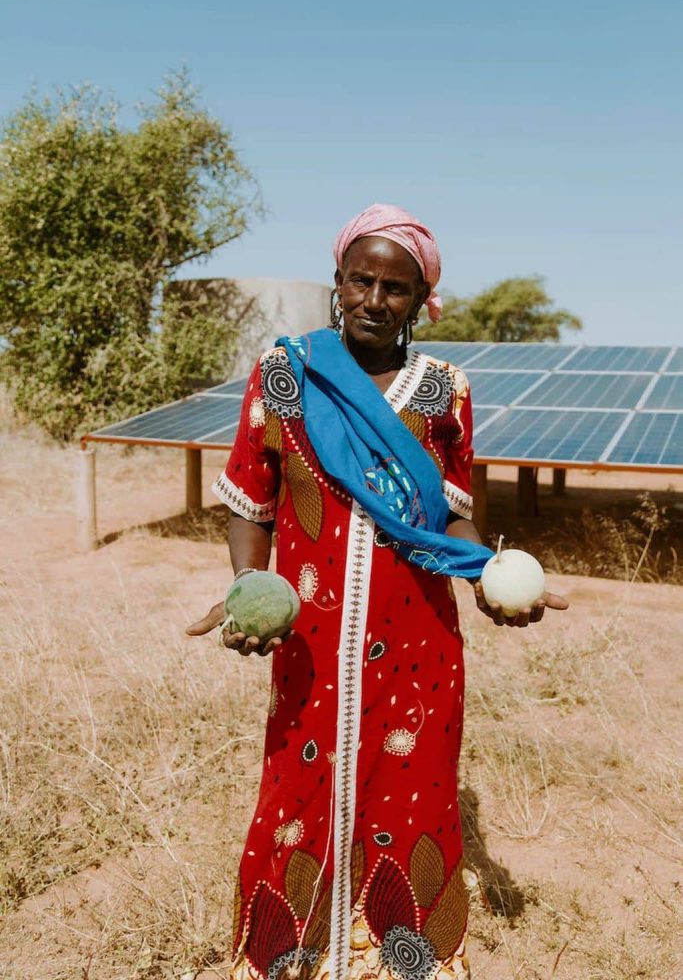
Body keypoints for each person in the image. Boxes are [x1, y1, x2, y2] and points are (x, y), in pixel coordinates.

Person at [187, 204, 568, 980]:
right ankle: (285, 958)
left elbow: (454, 519)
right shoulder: (285, 374)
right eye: (359, 280)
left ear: (421, 298)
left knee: (411, 798)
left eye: (395, 287)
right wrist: (247, 587)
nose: (373, 299)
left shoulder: (443, 393)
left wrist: (490, 584)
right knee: (296, 793)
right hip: (309, 637)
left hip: (420, 642)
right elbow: (249, 502)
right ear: (336, 281)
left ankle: (400, 961)